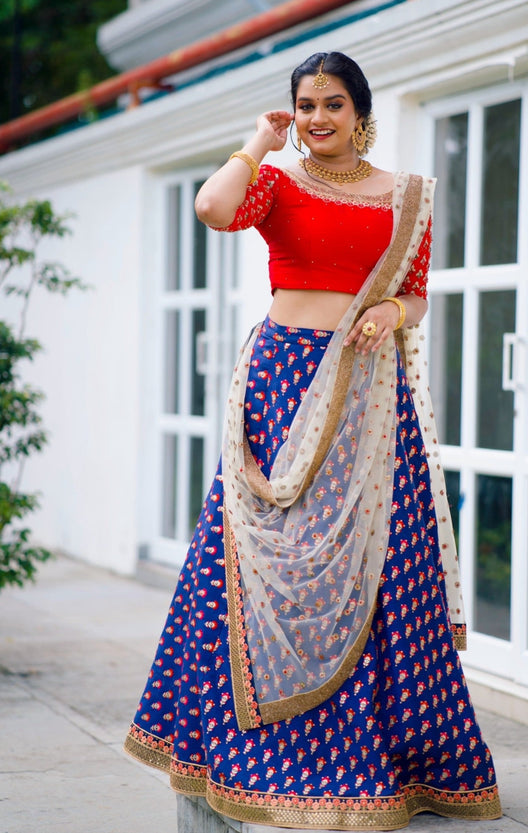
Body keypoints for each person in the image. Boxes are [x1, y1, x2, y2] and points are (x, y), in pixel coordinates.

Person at [124, 51, 501, 829]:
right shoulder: (278, 181)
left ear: (360, 111)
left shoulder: (407, 196)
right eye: (304, 105)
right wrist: (255, 142)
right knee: (264, 550)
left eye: (332, 103)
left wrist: (391, 315)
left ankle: (388, 764)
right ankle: (237, 754)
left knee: (384, 559)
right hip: (280, 385)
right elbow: (213, 210)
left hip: (367, 394)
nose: (317, 118)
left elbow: (417, 295)